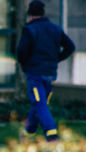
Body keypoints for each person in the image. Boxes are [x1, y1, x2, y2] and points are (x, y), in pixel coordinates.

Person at [17, 0, 75, 141]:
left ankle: (51, 134)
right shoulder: (55, 29)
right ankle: (28, 133)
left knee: (39, 103)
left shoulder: (29, 30)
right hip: (50, 74)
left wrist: (26, 67)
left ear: (30, 15)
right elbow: (70, 47)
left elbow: (21, 53)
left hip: (35, 74)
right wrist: (56, 59)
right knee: (40, 103)